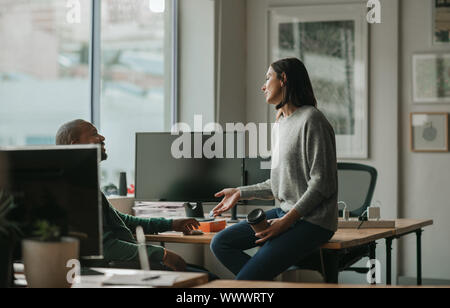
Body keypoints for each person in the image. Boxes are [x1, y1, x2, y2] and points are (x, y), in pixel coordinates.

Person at [210, 58, 338, 281]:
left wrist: (285, 223)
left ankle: (254, 280)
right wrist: (240, 192)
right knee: (221, 243)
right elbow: (277, 183)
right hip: (285, 213)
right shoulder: (280, 124)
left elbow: (322, 184)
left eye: (268, 77)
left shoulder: (312, 120)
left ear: (284, 79)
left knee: (246, 282)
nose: (263, 85)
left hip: (313, 222)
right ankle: (258, 279)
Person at [55, 120, 216, 278]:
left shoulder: (84, 181)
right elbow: (104, 247)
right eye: (94, 133)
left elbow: (121, 220)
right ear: (75, 144)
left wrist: (171, 224)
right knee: (209, 278)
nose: (102, 137)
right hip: (108, 268)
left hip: (120, 261)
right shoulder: (75, 188)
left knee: (203, 273)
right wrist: (163, 254)